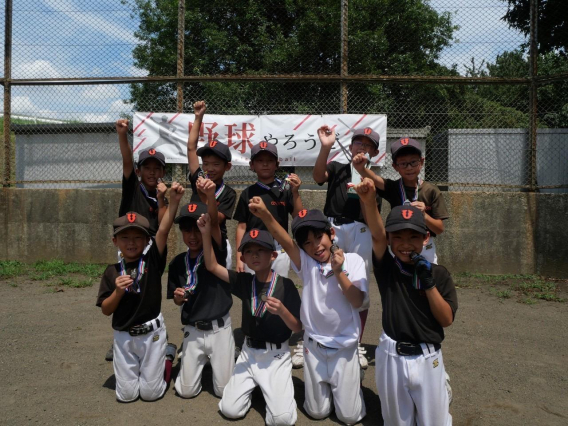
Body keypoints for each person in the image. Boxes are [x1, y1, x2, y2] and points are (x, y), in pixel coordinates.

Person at [248, 197, 367, 425]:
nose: (316, 246)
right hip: (314, 348)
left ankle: (352, 379)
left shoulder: (353, 261)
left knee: (349, 417)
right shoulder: (306, 263)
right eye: (307, 243)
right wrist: (264, 214)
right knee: (317, 412)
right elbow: (283, 238)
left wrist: (339, 271)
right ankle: (337, 386)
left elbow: (357, 301)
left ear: (331, 233)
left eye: (319, 237)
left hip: (344, 347)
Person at [356, 178, 457, 426]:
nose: (405, 244)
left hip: (427, 356)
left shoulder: (439, 273)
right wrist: (369, 200)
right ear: (390, 240)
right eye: (398, 236)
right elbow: (377, 235)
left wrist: (428, 282)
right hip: (392, 354)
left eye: (413, 236)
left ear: (425, 238)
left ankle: (441, 387)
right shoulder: (387, 268)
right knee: (396, 422)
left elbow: (446, 320)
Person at [198, 214, 301, 425]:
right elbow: (211, 266)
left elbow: (298, 326)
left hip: (276, 355)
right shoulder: (244, 281)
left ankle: (271, 389)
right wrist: (205, 234)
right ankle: (260, 387)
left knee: (281, 420)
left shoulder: (286, 285)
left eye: (261, 250)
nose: (255, 256)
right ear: (243, 258)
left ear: (273, 255)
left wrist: (282, 311)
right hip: (249, 353)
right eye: (249, 252)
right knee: (229, 410)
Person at [295, 125, 381, 370]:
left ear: (374, 152)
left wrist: (365, 188)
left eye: (367, 145)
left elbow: (372, 214)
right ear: (351, 146)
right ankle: (307, 339)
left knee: (358, 282)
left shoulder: (374, 179)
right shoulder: (337, 168)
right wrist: (325, 146)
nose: (361, 148)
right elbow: (318, 176)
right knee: (318, 278)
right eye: (358, 143)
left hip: (361, 230)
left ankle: (356, 343)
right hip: (332, 226)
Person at [96, 182, 185, 402]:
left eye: (138, 237)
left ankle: (167, 354)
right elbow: (106, 311)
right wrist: (117, 292)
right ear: (115, 241)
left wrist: (173, 202)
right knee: (126, 396)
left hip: (151, 335)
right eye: (125, 237)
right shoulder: (112, 272)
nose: (131, 242)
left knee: (150, 394)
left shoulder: (153, 259)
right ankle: (139, 369)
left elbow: (163, 229)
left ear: (147, 240)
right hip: (124, 336)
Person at [106, 119, 176, 365]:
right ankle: (121, 337)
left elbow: (163, 225)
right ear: (139, 170)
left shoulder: (161, 195)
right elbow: (126, 160)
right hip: (130, 247)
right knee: (124, 288)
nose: (152, 172)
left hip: (153, 249)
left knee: (150, 292)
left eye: (157, 168)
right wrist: (123, 135)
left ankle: (159, 334)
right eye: (147, 167)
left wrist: (162, 199)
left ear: (163, 172)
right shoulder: (132, 188)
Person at [167, 178, 235, 400]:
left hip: (219, 329)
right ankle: (173, 353)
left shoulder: (217, 251)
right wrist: (178, 298)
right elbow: (177, 300)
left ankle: (234, 351)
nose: (193, 236)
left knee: (223, 392)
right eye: (187, 231)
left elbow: (215, 224)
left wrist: (211, 197)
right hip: (193, 329)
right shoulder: (177, 263)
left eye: (198, 228)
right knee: (185, 391)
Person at [353, 137, 448, 264]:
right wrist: (361, 168)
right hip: (399, 246)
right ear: (395, 166)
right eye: (403, 163)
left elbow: (439, 229)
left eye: (413, 162)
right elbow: (375, 178)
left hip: (425, 245)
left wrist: (424, 216)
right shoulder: (393, 187)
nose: (409, 168)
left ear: (422, 162)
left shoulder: (431, 191)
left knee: (426, 281)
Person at [233, 141, 303, 277]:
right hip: (253, 248)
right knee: (253, 292)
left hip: (278, 247)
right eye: (260, 160)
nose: (265, 164)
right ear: (252, 165)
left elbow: (299, 216)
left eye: (270, 160)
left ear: (277, 164)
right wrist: (239, 256)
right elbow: (242, 227)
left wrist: (295, 192)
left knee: (278, 290)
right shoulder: (247, 193)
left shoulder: (285, 190)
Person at [186, 100, 237, 268]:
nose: (209, 168)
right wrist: (198, 117)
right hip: (196, 241)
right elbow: (191, 148)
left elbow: (214, 221)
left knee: (220, 288)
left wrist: (206, 195)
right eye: (206, 163)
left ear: (227, 167)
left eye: (216, 164)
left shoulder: (228, 193)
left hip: (217, 244)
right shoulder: (199, 177)